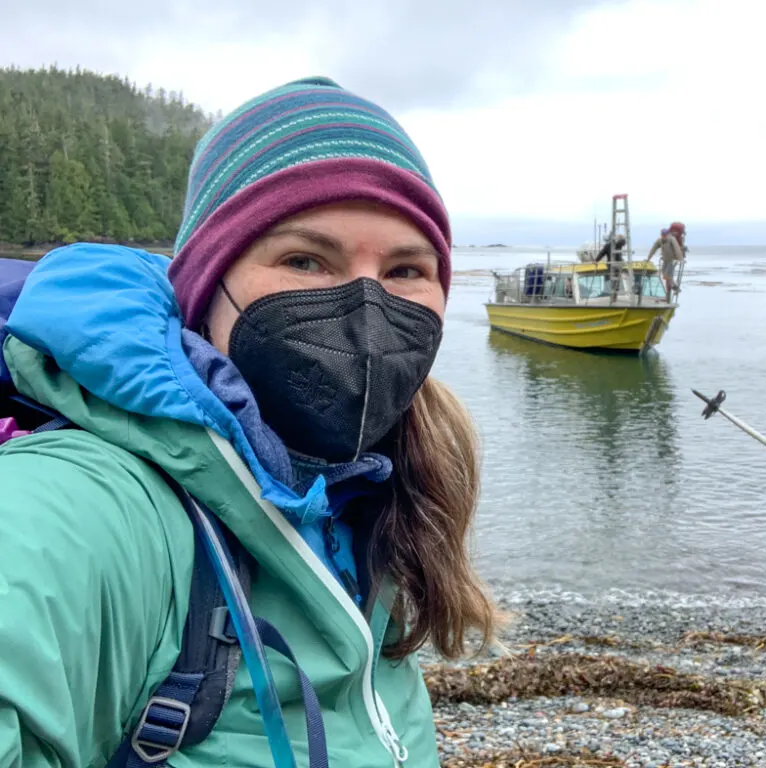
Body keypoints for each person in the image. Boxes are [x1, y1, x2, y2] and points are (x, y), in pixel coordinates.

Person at [0, 76, 497, 767]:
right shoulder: (85, 507)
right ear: (208, 290)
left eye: (407, 269)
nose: (366, 308)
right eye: (304, 259)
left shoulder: (377, 506)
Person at [648, 223, 686, 297]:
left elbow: (677, 249)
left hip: (672, 260)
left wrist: (681, 259)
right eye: (662, 235)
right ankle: (673, 286)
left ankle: (675, 288)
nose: (664, 236)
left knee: (668, 275)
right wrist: (648, 258)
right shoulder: (659, 240)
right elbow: (653, 249)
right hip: (665, 260)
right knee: (664, 274)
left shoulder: (672, 239)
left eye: (665, 235)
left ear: (667, 234)